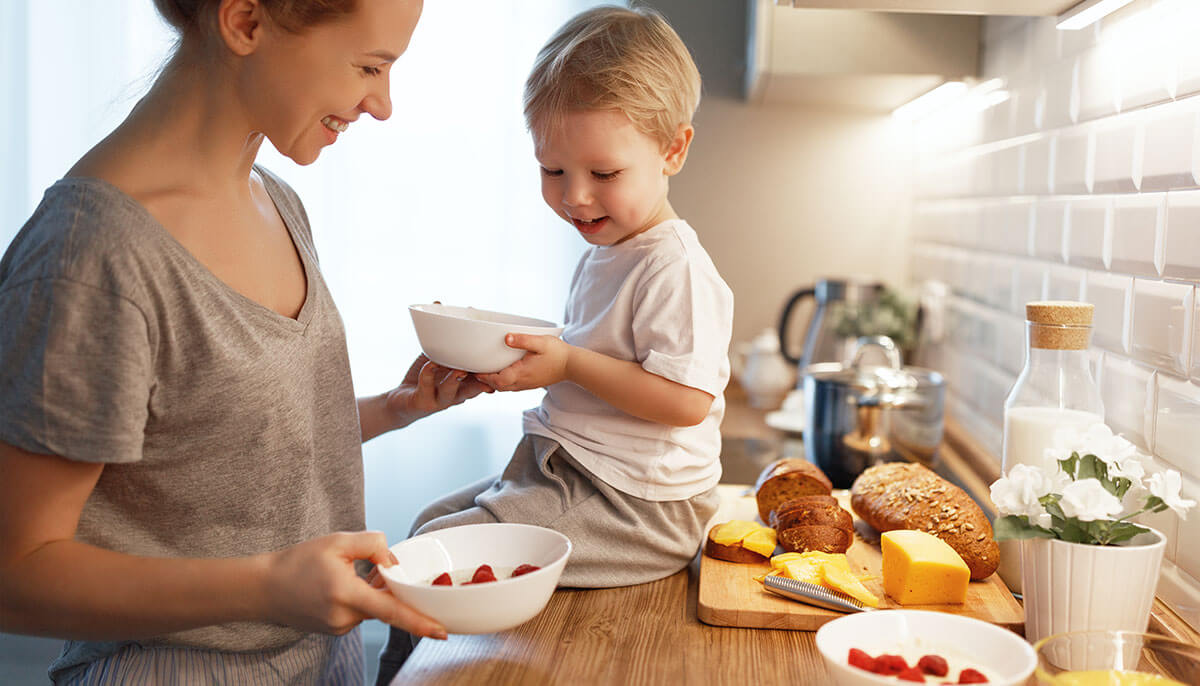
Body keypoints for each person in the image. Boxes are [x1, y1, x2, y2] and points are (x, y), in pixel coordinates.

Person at [0, 0, 492, 683]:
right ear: (246, 22)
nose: (382, 103)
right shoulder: (93, 257)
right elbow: (15, 572)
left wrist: (396, 406)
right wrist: (265, 587)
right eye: (369, 66)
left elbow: (225, 454)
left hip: (320, 658)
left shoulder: (276, 200)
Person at [376, 5, 734, 682]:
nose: (575, 197)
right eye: (552, 171)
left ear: (673, 150)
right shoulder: (613, 249)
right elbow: (603, 359)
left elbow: (687, 401)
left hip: (637, 507)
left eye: (603, 174)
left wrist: (566, 362)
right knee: (428, 525)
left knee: (434, 552)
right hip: (575, 473)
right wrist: (535, 360)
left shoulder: (674, 266)